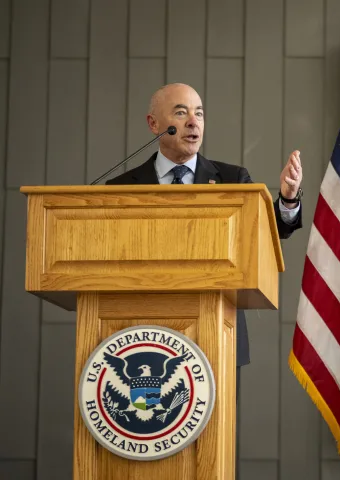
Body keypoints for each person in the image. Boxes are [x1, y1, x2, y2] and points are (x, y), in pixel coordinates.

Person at [106, 83, 303, 367]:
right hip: (141, 338)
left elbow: (266, 235)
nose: (192, 121)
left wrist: (287, 198)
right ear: (154, 124)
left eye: (199, 113)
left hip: (218, 331)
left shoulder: (233, 179)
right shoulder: (122, 188)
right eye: (180, 112)